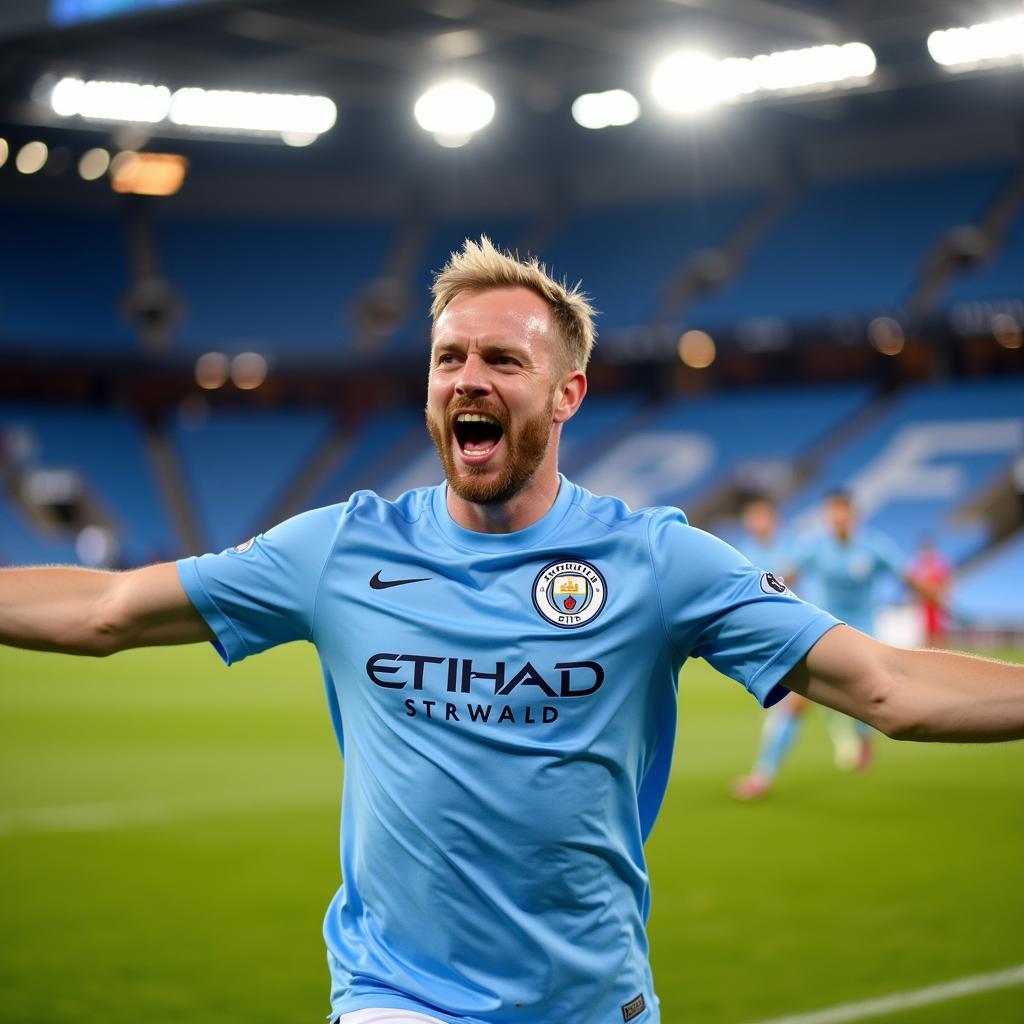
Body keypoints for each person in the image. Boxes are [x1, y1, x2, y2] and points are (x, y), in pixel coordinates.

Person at [2, 238, 1022, 1024]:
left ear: (567, 392)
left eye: (501, 357)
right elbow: (104, 610)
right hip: (394, 994)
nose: (467, 378)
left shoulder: (657, 561)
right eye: (449, 358)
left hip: (593, 1001)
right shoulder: (341, 549)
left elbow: (886, 683)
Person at [734, 489, 942, 800]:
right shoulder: (816, 547)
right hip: (825, 632)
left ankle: (862, 736)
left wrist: (948, 608)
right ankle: (764, 773)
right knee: (795, 703)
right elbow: (785, 577)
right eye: (830, 513)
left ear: (853, 515)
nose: (835, 519)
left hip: (864, 637)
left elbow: (910, 580)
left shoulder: (874, 547)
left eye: (840, 512)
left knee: (870, 699)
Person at [907, 536, 953, 647]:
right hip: (924, 605)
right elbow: (912, 584)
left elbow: (947, 583)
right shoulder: (917, 565)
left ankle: (941, 657)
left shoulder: (940, 564)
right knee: (926, 633)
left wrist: (943, 598)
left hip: (937, 604)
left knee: (939, 633)